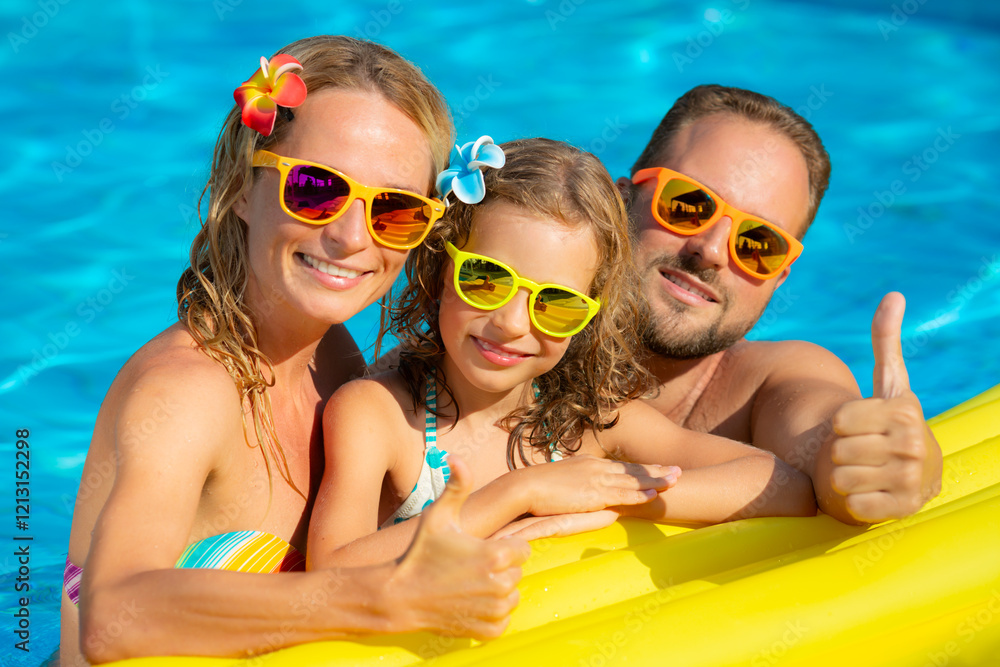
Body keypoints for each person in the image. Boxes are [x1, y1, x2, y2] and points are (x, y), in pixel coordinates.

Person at [60, 36, 528, 666]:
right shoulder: (188, 390)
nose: (348, 237)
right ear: (241, 190)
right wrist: (376, 600)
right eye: (315, 189)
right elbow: (111, 619)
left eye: (393, 210)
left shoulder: (333, 361)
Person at [307, 138, 816, 568]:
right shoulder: (379, 414)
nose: (511, 324)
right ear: (441, 268)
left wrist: (612, 497)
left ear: (592, 315)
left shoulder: (587, 423)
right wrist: (520, 495)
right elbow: (329, 571)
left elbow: (784, 487)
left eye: (556, 303)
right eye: (486, 279)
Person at [619, 84, 942, 526]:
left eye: (758, 243)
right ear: (620, 201)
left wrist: (878, 462)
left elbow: (825, 428)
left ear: (777, 278)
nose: (712, 250)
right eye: (687, 203)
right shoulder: (506, 320)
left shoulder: (771, 381)